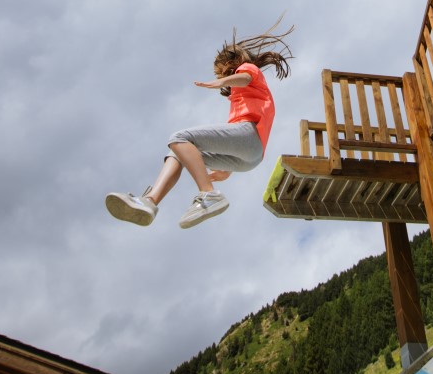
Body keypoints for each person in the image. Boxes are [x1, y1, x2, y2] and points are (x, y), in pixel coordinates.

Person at [106, 20, 293, 230]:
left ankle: (209, 194)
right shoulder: (240, 99)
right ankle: (150, 201)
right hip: (248, 157)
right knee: (179, 152)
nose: (224, 77)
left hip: (250, 135)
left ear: (237, 61)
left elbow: (244, 77)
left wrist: (223, 82)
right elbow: (233, 133)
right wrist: (227, 167)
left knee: (179, 137)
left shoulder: (247, 68)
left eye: (225, 71)